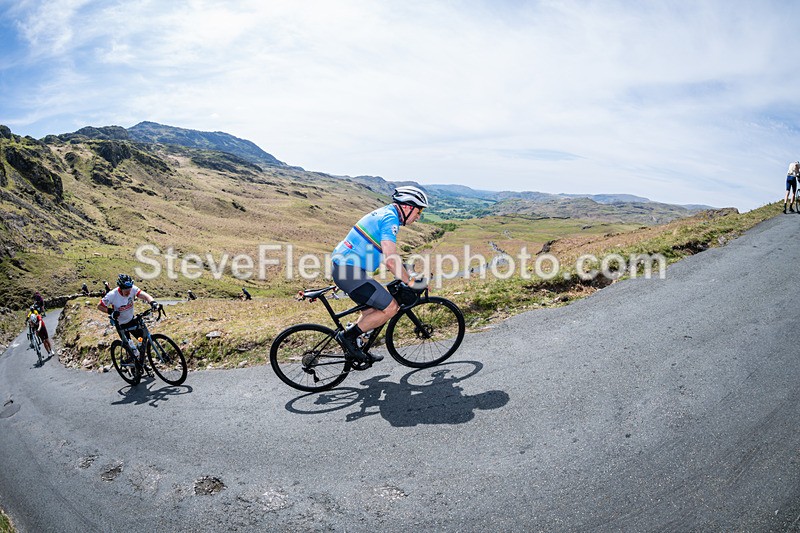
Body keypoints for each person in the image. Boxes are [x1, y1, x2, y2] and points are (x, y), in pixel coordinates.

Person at [330, 185, 429, 363]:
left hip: (346, 269)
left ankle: (357, 345)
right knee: (391, 307)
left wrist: (405, 272)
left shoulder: (385, 213)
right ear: (407, 207)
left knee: (374, 310)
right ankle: (348, 338)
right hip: (349, 271)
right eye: (418, 211)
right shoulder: (390, 219)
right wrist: (411, 282)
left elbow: (385, 256)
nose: (418, 217)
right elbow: (391, 260)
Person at [97, 274, 159, 354]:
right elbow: (99, 306)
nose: (128, 291)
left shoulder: (132, 289)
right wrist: (111, 312)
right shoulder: (112, 295)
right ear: (120, 288)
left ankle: (140, 359)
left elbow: (145, 295)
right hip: (121, 325)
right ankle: (132, 358)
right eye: (125, 289)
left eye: (129, 289)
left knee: (142, 339)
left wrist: (152, 302)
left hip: (131, 320)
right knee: (132, 349)